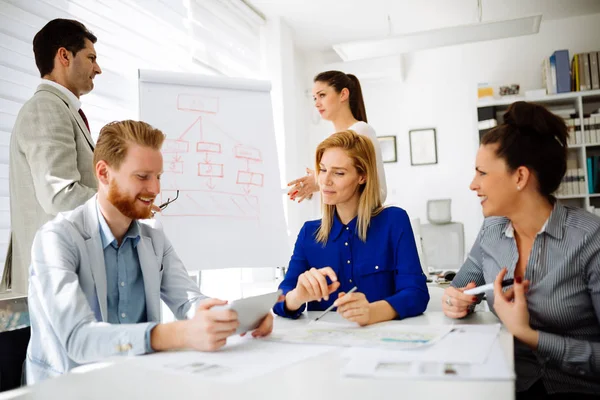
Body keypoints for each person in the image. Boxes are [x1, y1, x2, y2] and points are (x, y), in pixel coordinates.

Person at [25, 120, 276, 383]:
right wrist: (178, 334)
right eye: (142, 177)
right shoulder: (56, 239)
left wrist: (233, 318)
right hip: (68, 388)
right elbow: (78, 338)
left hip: (138, 381)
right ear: (103, 173)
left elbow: (187, 301)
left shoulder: (154, 238)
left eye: (158, 177)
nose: (155, 189)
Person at [442, 101, 600, 399]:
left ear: (520, 177)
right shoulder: (492, 231)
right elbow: (460, 289)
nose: (472, 184)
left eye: (482, 173)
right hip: (507, 383)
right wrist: (456, 301)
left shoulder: (590, 239)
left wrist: (529, 335)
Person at [274, 130, 428, 325]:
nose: (325, 180)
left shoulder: (394, 221)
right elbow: (279, 301)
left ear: (362, 176)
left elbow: (417, 293)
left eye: (338, 173)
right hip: (326, 347)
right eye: (322, 170)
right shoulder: (309, 233)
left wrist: (372, 312)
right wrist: (297, 296)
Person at [4, 19, 102, 295]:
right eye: (91, 57)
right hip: (55, 279)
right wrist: (122, 204)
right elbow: (60, 195)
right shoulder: (47, 108)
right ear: (64, 56)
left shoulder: (61, 109)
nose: (98, 69)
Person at [287, 71, 387, 204]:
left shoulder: (361, 131)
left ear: (343, 94)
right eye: (315, 98)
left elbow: (378, 192)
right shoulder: (332, 141)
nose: (316, 103)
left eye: (322, 95)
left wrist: (320, 182)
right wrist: (313, 188)